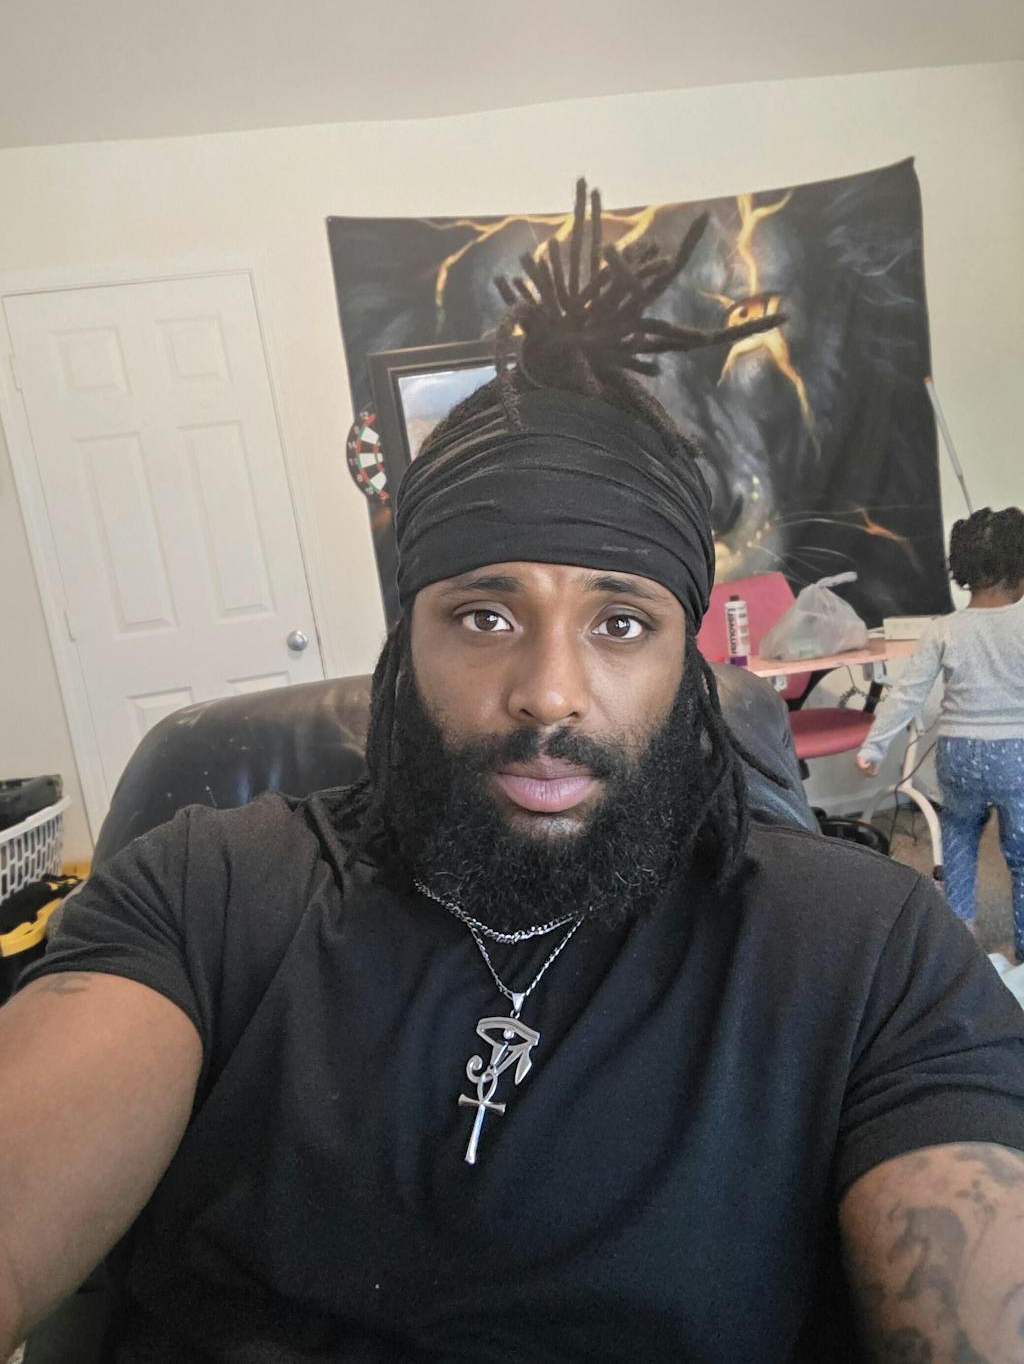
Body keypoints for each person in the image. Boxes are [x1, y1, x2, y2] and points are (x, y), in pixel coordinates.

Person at [1, 182, 1023, 1364]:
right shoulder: (204, 892)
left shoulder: (862, 950)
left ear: (686, 665)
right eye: (484, 616)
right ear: (407, 642)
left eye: (621, 623)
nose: (548, 693)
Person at [858, 507, 1024, 961]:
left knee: (959, 838)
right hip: (1016, 756)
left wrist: (874, 745)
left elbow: (906, 694)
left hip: (958, 754)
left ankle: (960, 943)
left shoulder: (943, 629)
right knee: (1021, 855)